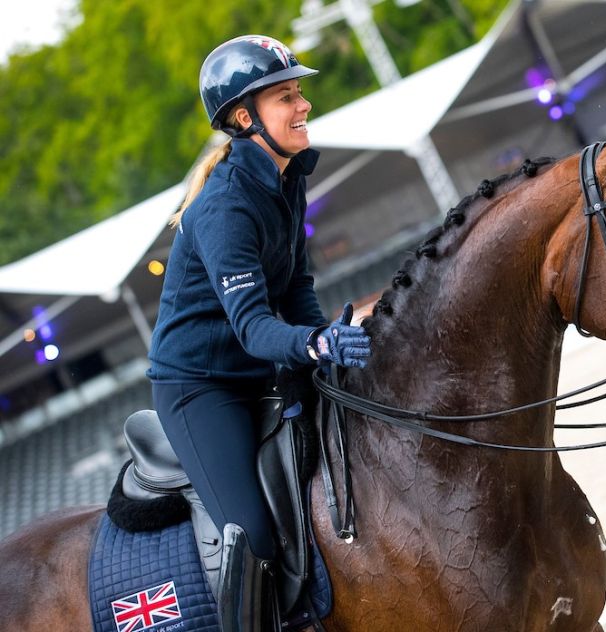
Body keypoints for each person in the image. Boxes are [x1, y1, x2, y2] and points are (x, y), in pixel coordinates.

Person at [146, 34, 372, 631]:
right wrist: (313, 345)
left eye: (300, 93)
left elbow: (295, 284)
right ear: (245, 119)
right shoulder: (223, 206)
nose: (304, 107)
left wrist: (321, 333)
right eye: (286, 98)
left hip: (263, 365)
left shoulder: (288, 174)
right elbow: (251, 326)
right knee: (256, 537)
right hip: (202, 387)